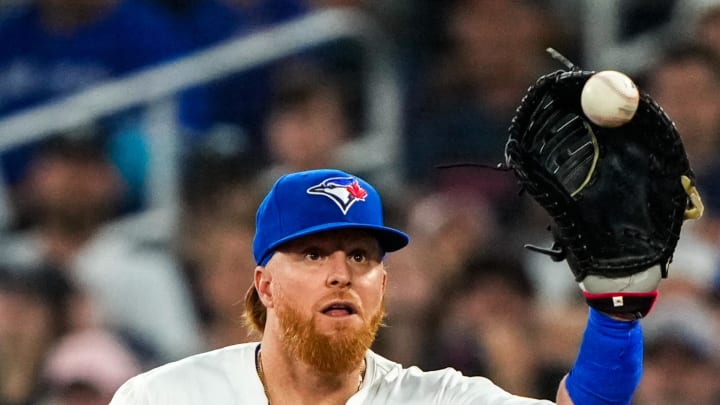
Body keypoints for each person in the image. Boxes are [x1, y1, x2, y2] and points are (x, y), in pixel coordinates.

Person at [110, 168, 646, 404]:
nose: (341, 272)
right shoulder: (164, 397)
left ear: (382, 285)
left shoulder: (436, 400)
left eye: (361, 255)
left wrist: (616, 314)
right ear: (265, 286)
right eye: (314, 254)